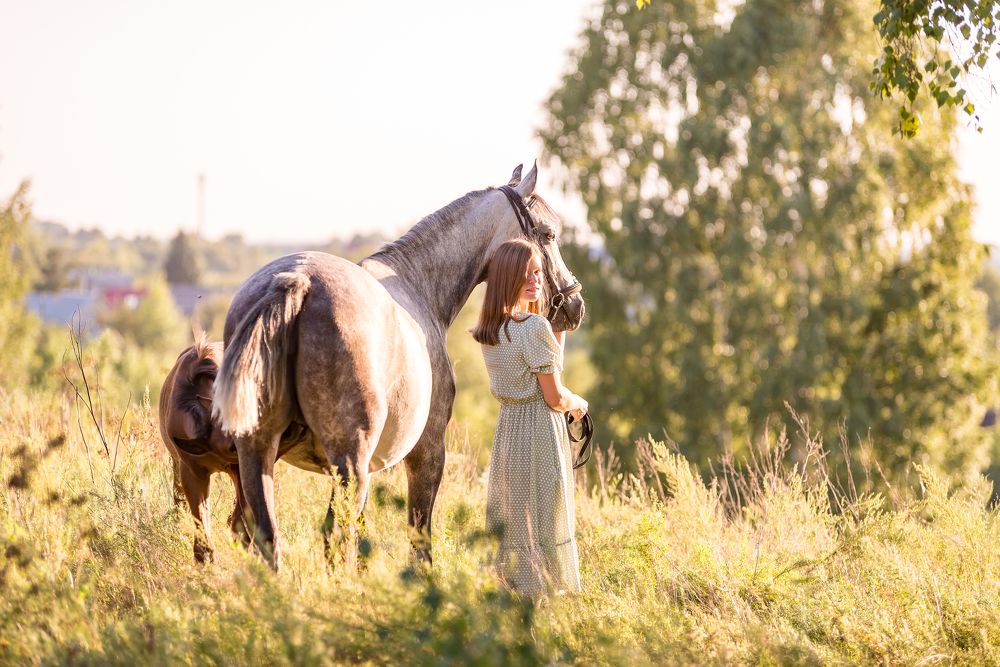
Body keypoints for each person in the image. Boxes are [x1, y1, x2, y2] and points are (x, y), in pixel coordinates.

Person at [471, 238, 589, 597]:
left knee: (517, 517)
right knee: (545, 516)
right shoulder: (534, 328)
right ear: (508, 278)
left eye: (538, 272)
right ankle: (542, 598)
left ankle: (514, 594)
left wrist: (555, 337)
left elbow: (536, 371)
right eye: (526, 274)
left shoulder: (491, 330)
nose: (535, 280)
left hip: (509, 433)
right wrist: (578, 403)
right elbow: (554, 396)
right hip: (539, 431)